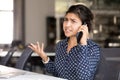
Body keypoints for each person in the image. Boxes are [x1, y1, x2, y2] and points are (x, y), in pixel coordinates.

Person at [28, 4, 100, 80]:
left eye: (73, 21)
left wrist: (82, 45)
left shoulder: (92, 48)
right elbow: (56, 72)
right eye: (66, 20)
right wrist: (44, 56)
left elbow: (83, 78)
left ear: (84, 26)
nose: (67, 25)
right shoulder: (61, 45)